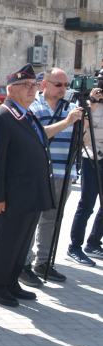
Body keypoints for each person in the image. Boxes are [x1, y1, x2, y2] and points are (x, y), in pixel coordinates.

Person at [0, 65, 54, 307]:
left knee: (22, 242)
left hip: (30, 193)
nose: (31, 90)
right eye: (25, 85)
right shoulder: (3, 116)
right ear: (10, 89)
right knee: (6, 242)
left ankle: (12, 282)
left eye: (34, 85)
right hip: (13, 195)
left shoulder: (27, 114)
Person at [25, 68, 83, 282]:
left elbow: (82, 143)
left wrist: (86, 117)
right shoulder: (33, 107)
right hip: (39, 174)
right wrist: (67, 122)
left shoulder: (72, 108)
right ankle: (24, 263)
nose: (63, 90)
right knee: (32, 219)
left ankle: (44, 262)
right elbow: (38, 136)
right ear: (44, 84)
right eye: (58, 85)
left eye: (66, 85)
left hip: (64, 173)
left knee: (53, 220)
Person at [69, 85, 103, 264]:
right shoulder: (89, 104)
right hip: (91, 157)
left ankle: (94, 243)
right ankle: (75, 246)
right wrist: (92, 105)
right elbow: (78, 133)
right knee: (87, 205)